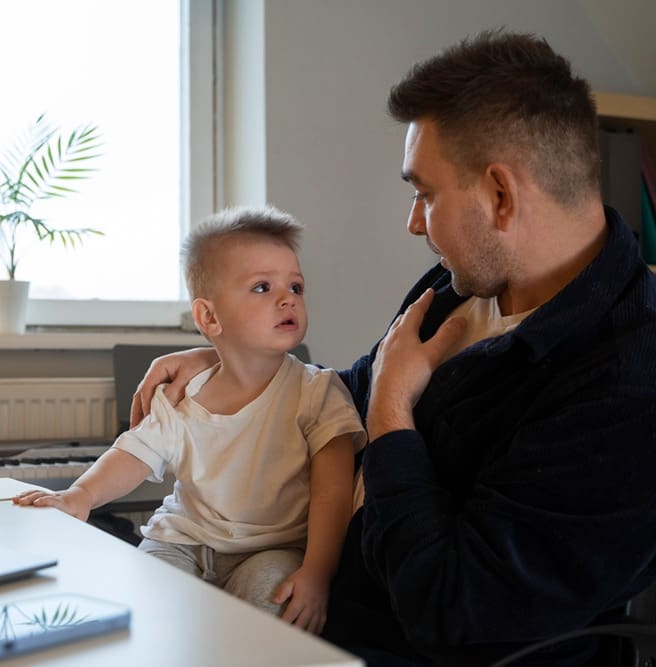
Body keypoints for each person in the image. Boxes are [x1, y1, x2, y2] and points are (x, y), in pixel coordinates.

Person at [130, 30, 656, 665]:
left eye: (425, 194)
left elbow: (449, 607)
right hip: (310, 604)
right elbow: (347, 394)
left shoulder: (629, 384)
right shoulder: (461, 289)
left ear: (500, 195)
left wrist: (394, 412)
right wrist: (233, 362)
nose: (414, 222)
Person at [14, 206, 365, 633]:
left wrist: (317, 574)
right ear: (209, 318)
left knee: (272, 605)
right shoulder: (182, 396)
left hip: (273, 549)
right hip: (181, 542)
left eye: (296, 285)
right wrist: (80, 495)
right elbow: (133, 455)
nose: (287, 297)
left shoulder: (317, 391)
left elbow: (334, 493)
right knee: (142, 604)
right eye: (261, 287)